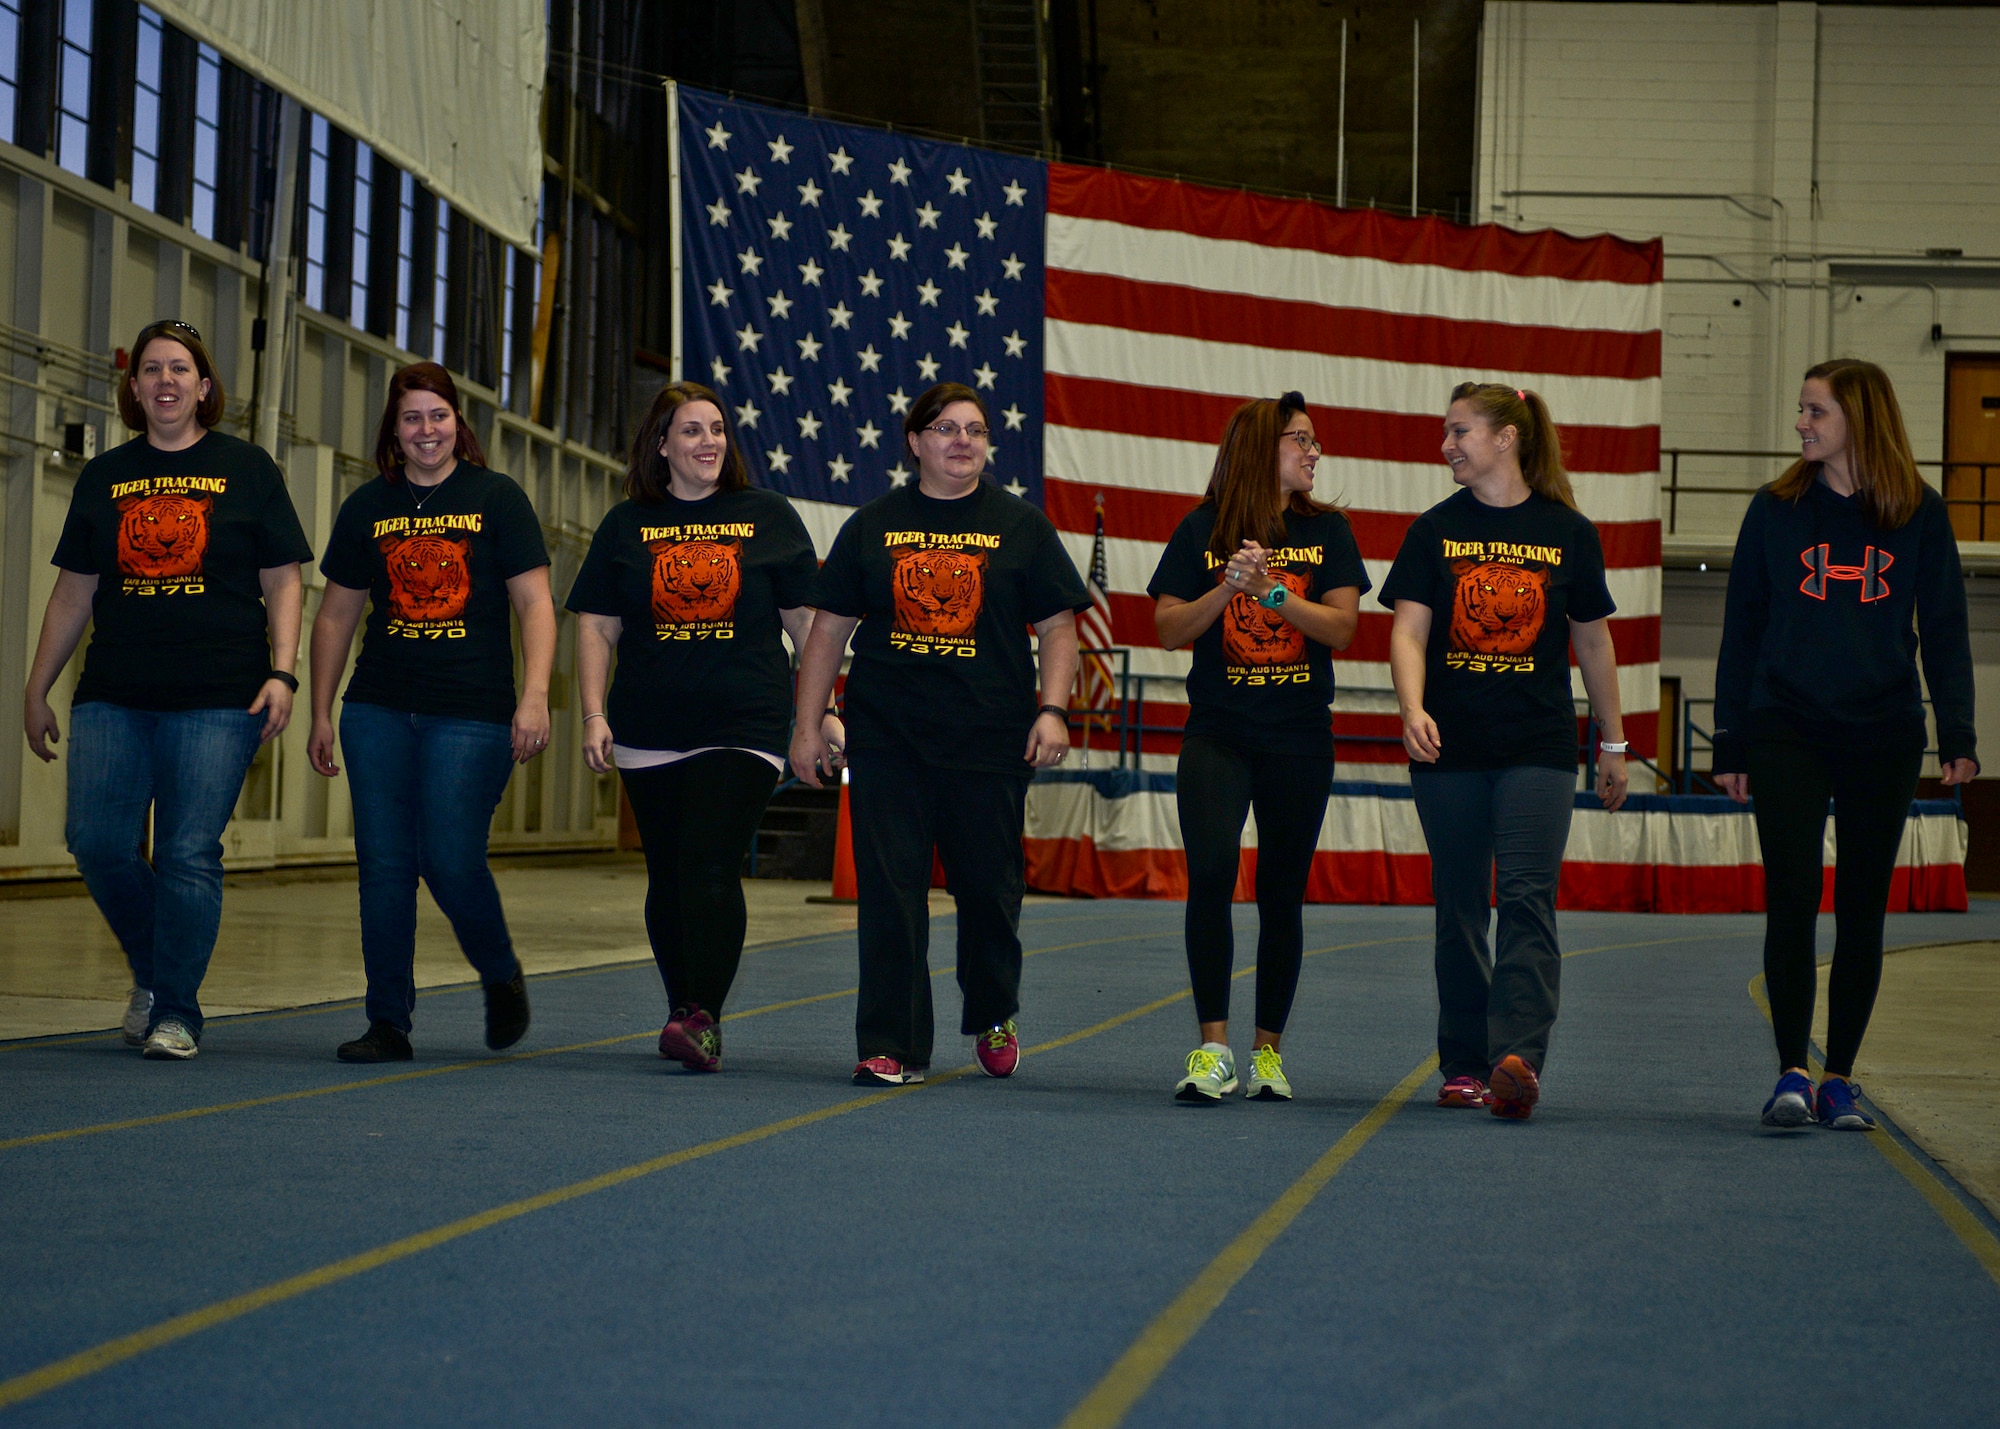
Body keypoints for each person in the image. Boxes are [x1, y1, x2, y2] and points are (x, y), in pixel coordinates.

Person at [23, 319, 311, 1060]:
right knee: (97, 841)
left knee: (187, 851)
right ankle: (154, 972)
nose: (166, 381)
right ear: (135, 387)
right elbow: (72, 592)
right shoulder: (105, 475)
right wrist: (35, 686)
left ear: (205, 387)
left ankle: (176, 1010)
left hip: (220, 694)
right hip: (114, 689)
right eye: (151, 369)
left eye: (180, 369)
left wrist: (284, 670)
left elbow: (284, 580)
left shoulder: (248, 469)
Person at [790, 382, 1088, 1086]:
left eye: (976, 430)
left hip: (989, 740)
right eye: (947, 428)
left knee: (989, 889)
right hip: (888, 736)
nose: (963, 440)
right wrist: (807, 724)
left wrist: (1052, 709)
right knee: (890, 892)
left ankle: (994, 1008)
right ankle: (892, 1041)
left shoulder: (1022, 527)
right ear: (916, 441)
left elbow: (1058, 626)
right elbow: (827, 632)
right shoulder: (872, 524)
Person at [1714, 359, 1977, 1131]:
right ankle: (1791, 1071)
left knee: (1863, 908)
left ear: (1858, 420)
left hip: (1883, 731)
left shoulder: (1919, 513)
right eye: (1801, 409)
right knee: (1791, 894)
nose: (1801, 424)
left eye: (1815, 411)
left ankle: (1840, 1077)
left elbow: (1948, 630)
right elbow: (1741, 630)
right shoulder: (1774, 509)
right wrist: (1731, 740)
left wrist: (1958, 730)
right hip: (1787, 726)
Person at [1381, 382, 1629, 1121]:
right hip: (1449, 750)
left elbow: (1593, 640)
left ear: (1506, 438)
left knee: (1526, 899)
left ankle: (1516, 1059)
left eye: (1460, 431)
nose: (1447, 445)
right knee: (1459, 905)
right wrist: (1412, 707)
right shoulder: (1433, 531)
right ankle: (1461, 1062)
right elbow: (1408, 631)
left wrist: (1611, 741)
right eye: (1445, 432)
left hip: (1538, 747)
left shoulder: (1568, 532)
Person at [566, 381, 823, 1072]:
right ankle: (683, 1009)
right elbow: (596, 625)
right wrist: (594, 712)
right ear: (661, 444)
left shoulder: (767, 515)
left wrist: (821, 711)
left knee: (710, 861)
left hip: (745, 723)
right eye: (691, 431)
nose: (708, 442)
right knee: (668, 872)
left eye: (716, 429)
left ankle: (703, 1013)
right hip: (648, 724)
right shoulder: (626, 525)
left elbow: (808, 626)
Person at [307, 363, 553, 1062]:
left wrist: (534, 695)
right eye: (411, 418)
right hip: (377, 707)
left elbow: (535, 604)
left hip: (471, 712)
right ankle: (389, 1020)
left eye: (437, 415)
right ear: (394, 429)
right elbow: (334, 618)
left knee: (448, 856)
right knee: (383, 865)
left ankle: (500, 971)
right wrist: (321, 710)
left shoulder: (496, 498)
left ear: (457, 423)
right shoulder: (367, 506)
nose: (425, 430)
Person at [1146, 391, 1368, 1103]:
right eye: (1301, 440)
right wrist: (1227, 588)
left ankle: (1267, 1052)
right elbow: (1170, 629)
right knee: (1210, 874)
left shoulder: (1329, 530)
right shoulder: (1200, 528)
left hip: (1299, 736)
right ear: (1259, 449)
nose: (1314, 452)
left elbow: (1340, 630)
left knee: (1281, 891)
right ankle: (1213, 1049)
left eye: (1314, 441)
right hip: (1218, 732)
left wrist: (1270, 591)